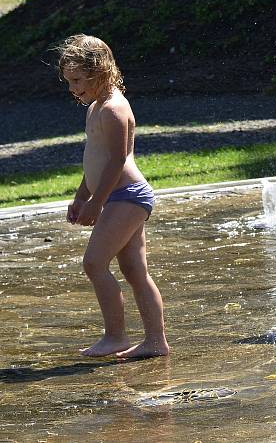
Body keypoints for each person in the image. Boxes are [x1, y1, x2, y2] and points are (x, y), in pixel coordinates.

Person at [57, 34, 169, 357]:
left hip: (127, 196)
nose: (73, 88)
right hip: (119, 197)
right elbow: (96, 159)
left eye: (78, 80)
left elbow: (118, 159)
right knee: (134, 269)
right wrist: (82, 195)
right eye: (69, 82)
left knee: (94, 263)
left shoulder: (114, 109)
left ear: (99, 71)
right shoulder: (94, 108)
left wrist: (97, 202)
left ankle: (116, 335)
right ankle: (155, 341)